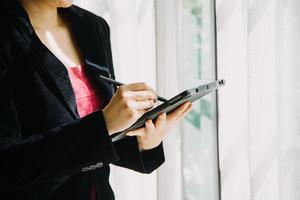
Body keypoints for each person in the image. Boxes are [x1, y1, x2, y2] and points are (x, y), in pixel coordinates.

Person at [0, 0, 192, 199]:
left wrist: (144, 142)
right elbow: (6, 165)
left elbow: (97, 145)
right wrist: (104, 124)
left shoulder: (92, 27)